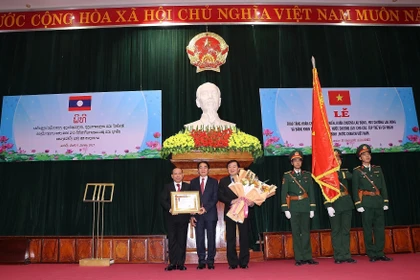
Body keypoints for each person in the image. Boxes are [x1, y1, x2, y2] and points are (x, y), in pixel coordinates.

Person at [352, 144, 392, 262]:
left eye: (368, 154)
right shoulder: (357, 172)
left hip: (378, 201)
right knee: (368, 228)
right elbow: (355, 189)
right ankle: (371, 253)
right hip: (366, 202)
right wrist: (358, 204)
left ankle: (380, 252)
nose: (367, 156)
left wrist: (385, 201)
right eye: (364, 155)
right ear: (360, 158)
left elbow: (383, 186)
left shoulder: (377, 169)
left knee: (380, 228)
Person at [281, 150, 318, 266]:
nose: (297, 163)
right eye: (295, 161)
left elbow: (311, 192)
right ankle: (299, 257)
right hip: (294, 206)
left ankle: (308, 256)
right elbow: (283, 193)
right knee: (296, 233)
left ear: (301, 162)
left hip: (305, 206)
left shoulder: (307, 175)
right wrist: (285, 208)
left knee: (306, 232)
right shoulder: (287, 175)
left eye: (299, 160)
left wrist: (312, 207)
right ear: (292, 163)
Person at [218, 160, 253, 269]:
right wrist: (232, 201)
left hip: (243, 211)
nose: (232, 169)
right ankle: (232, 262)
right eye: (229, 167)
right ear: (227, 169)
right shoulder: (223, 181)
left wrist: (252, 202)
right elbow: (220, 196)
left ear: (238, 169)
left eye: (234, 167)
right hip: (230, 211)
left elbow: (252, 193)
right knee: (230, 237)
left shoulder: (245, 180)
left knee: (244, 236)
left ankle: (244, 262)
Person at [324, 149, 356, 264]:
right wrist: (328, 205)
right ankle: (338, 256)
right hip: (335, 204)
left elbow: (351, 177)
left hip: (347, 203)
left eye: (339, 158)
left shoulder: (345, 171)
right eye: (335, 159)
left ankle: (346, 255)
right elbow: (325, 191)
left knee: (346, 230)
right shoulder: (327, 175)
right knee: (336, 231)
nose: (337, 160)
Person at [160, 168, 191, 271]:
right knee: (172, 240)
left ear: (183, 175)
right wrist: (170, 208)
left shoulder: (188, 186)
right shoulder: (167, 187)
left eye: (179, 174)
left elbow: (192, 201)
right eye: (175, 174)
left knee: (182, 241)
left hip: (184, 218)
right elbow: (163, 200)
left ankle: (181, 263)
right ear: (172, 176)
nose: (177, 176)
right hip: (171, 218)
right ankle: (172, 263)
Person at [190, 161, 219, 270]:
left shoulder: (214, 182)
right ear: (198, 170)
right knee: (199, 238)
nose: (203, 169)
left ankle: (210, 260)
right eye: (200, 167)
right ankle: (201, 260)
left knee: (211, 238)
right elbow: (189, 199)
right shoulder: (193, 182)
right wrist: (191, 216)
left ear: (208, 169)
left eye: (205, 167)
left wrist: (205, 208)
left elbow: (215, 198)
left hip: (210, 214)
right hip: (197, 215)